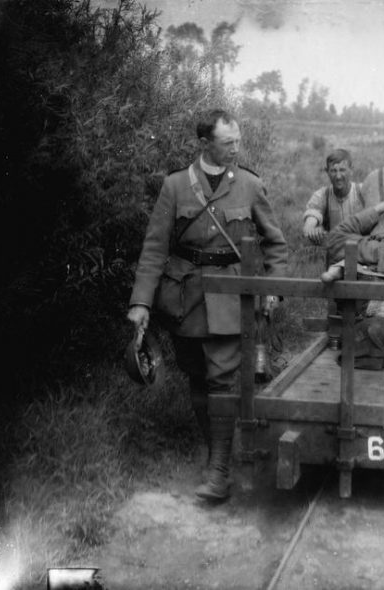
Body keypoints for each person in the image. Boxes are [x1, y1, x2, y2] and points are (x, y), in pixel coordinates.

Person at [127, 109, 288, 502]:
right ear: (204, 143)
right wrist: (141, 302)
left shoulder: (249, 185)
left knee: (220, 379)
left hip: (229, 296)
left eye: (237, 141)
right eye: (227, 142)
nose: (235, 148)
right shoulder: (176, 186)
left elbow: (275, 243)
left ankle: (219, 471)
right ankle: (218, 452)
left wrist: (272, 288)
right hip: (183, 298)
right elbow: (154, 248)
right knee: (196, 377)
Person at [302, 149, 364, 246]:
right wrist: (313, 231)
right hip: (334, 252)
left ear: (351, 170)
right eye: (333, 171)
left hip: (362, 250)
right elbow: (308, 225)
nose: (338, 176)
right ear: (327, 171)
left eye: (342, 170)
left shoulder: (362, 192)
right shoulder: (322, 195)